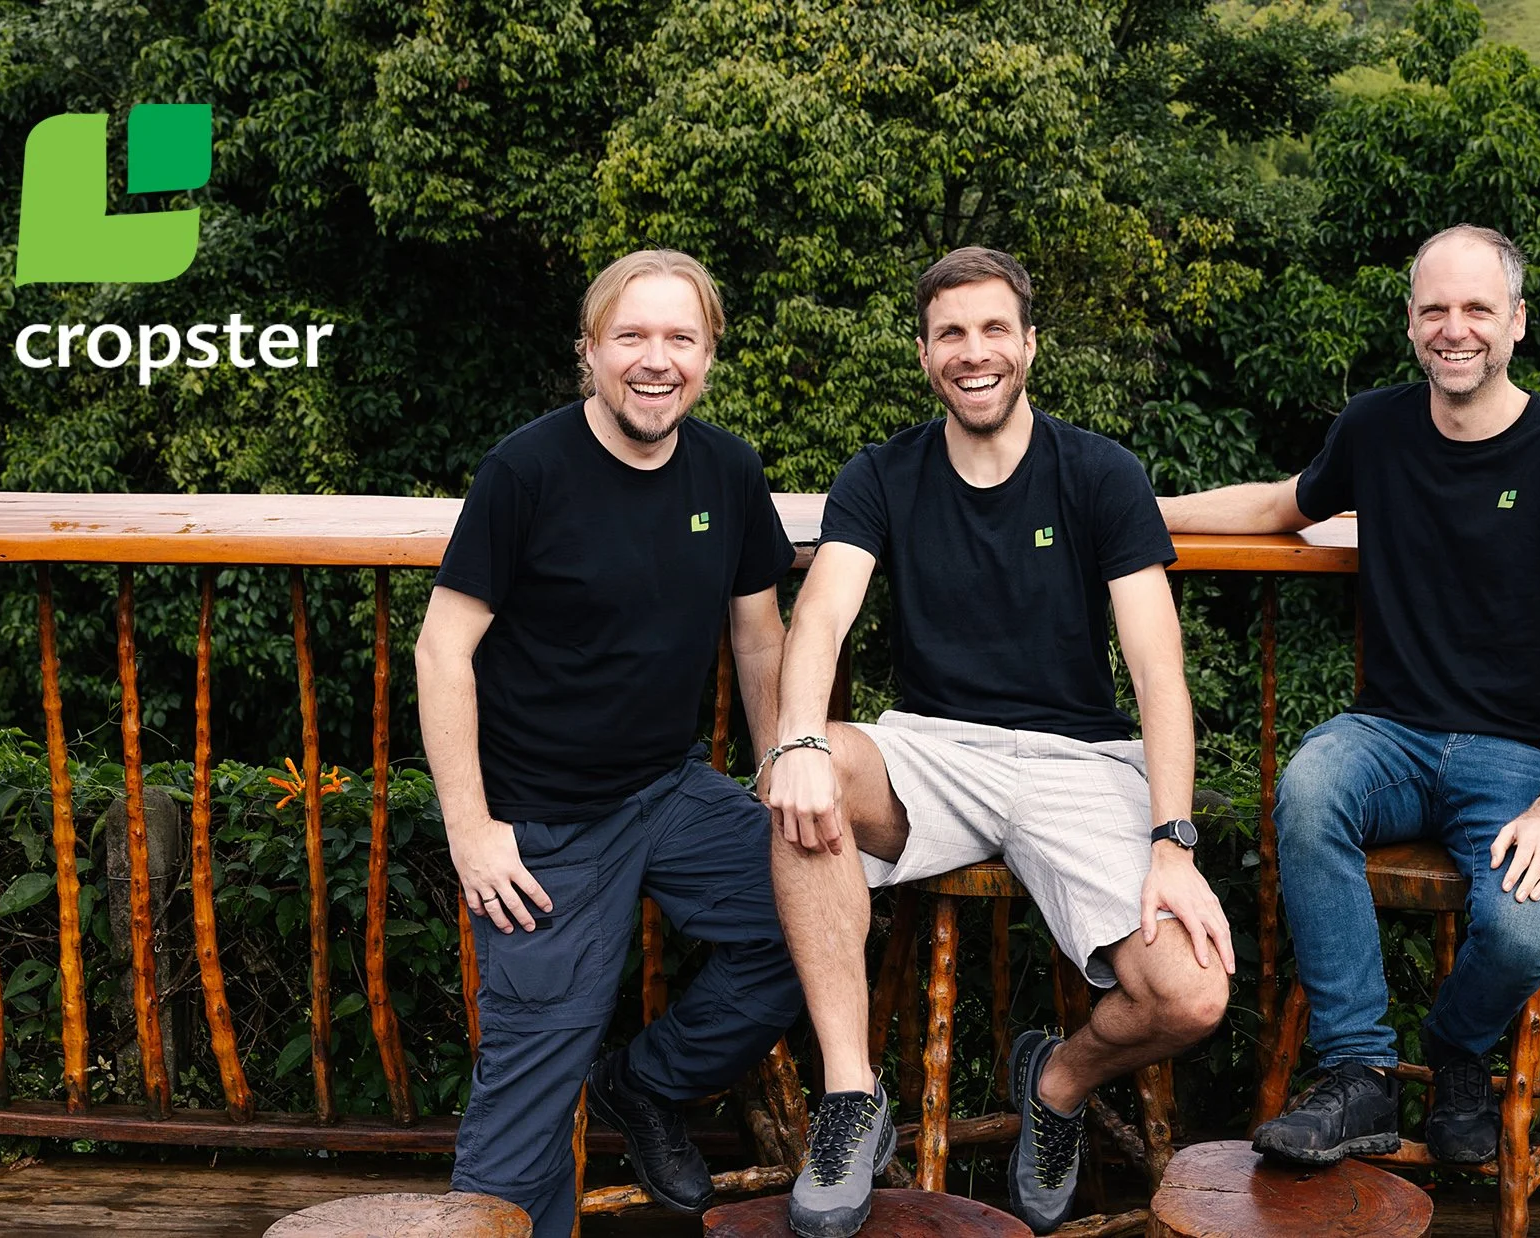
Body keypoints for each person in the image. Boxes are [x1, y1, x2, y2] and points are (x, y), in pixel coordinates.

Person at [764, 247, 1234, 1237]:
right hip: (934, 750)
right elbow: (819, 619)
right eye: (950, 334)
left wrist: (1172, 838)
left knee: (1191, 996)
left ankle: (1053, 1082)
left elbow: (1158, 672)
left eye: (992, 330)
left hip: (1081, 764)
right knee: (803, 785)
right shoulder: (881, 474)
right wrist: (798, 737)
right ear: (925, 351)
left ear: (1028, 342)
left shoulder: (1100, 472)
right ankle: (850, 1100)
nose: (972, 353)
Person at [1158, 224, 1540, 1168]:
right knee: (1307, 789)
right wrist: (1139, 514)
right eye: (1435, 309)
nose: (1454, 329)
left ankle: (1457, 1048)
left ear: (1517, 324)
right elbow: (1279, 504)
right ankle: (1359, 1075)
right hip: (1390, 734)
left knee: (1516, 929)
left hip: (1519, 760)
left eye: (1476, 310)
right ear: (1412, 324)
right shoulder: (1375, 426)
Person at [416, 249, 803, 1235]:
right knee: (526, 1114)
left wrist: (778, 772)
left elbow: (758, 633)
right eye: (630, 335)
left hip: (668, 791)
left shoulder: (727, 466)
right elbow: (441, 647)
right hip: (541, 828)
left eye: (680, 337)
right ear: (588, 351)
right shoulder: (527, 469)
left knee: (817, 914)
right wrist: (473, 829)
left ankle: (647, 1082)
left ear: (709, 355)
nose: (655, 358)